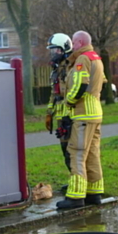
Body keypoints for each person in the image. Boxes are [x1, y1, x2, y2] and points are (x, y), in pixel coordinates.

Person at [56, 30, 105, 210]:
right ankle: (94, 193)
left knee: (76, 152)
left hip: (83, 113)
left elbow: (80, 85)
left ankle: (75, 197)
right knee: (92, 153)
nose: (72, 45)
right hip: (95, 112)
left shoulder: (83, 59)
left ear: (80, 42)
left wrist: (68, 102)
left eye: (74, 42)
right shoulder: (96, 58)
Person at [45, 33, 74, 173]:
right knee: (64, 150)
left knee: (72, 151)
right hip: (60, 117)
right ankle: (73, 179)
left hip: (70, 116)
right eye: (52, 50)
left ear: (65, 49)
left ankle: (79, 182)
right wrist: (49, 113)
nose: (53, 53)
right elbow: (53, 93)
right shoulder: (56, 70)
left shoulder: (70, 68)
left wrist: (69, 117)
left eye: (56, 50)